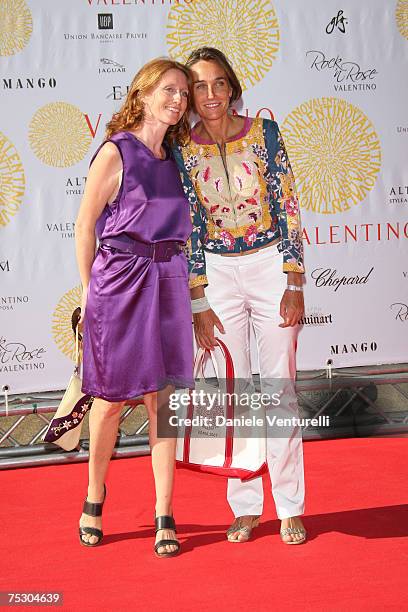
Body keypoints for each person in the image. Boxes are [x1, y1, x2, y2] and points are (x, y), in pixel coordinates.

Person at [173, 47, 307, 544]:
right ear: (190, 96)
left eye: (219, 84)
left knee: (280, 389)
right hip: (218, 275)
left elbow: (289, 205)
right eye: (200, 87)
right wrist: (198, 299)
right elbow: (186, 226)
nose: (210, 95)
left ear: (232, 87)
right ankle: (247, 506)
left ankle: (291, 505)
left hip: (271, 264)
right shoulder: (182, 150)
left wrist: (294, 280)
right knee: (232, 395)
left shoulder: (266, 134)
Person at [75, 57, 194, 557]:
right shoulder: (115, 151)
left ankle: (164, 510)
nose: (179, 100)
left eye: (184, 94)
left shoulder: (175, 159)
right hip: (119, 284)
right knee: (108, 404)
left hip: (167, 281)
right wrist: (89, 295)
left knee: (162, 402)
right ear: (142, 93)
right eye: (169, 89)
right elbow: (85, 227)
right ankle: (94, 495)